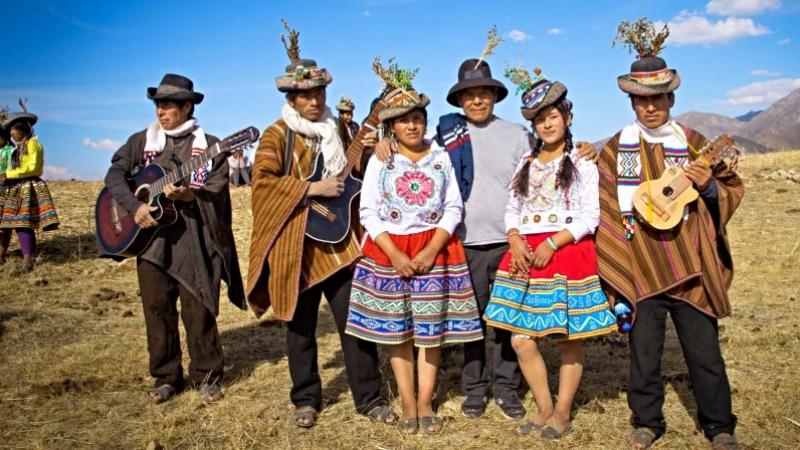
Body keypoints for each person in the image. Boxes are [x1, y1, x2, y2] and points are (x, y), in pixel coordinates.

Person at [373, 57, 597, 419]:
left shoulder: (517, 135)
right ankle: (474, 389)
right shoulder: (445, 136)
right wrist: (384, 145)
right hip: (464, 242)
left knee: (508, 319)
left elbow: (546, 163)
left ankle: (507, 388)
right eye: (469, 95)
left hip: (512, 244)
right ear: (460, 101)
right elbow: (411, 146)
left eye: (483, 94)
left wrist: (585, 147)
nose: (477, 101)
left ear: (494, 96)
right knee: (470, 321)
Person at [597, 20, 743, 450]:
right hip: (640, 264)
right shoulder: (616, 148)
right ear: (631, 102)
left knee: (705, 353)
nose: (649, 107)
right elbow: (606, 203)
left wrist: (708, 187)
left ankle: (719, 425)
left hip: (692, 265)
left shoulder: (696, 143)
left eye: (657, 98)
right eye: (640, 100)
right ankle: (647, 421)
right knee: (644, 354)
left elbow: (729, 188)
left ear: (671, 97)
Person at [246, 22, 395, 428]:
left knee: (355, 321)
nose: (314, 101)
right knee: (299, 327)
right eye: (306, 95)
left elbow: (354, 180)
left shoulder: (339, 129)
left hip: (341, 244)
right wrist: (310, 188)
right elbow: (261, 183)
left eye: (319, 93)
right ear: (292, 98)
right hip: (296, 244)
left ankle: (369, 397)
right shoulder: (277, 136)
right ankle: (306, 399)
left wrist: (366, 152)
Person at [483, 67, 616, 440]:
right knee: (521, 338)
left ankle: (562, 411)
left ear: (567, 118)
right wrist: (513, 236)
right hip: (526, 253)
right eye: (540, 120)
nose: (546, 124)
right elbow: (513, 208)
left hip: (567, 251)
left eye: (553, 117)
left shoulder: (583, 163)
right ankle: (543, 406)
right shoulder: (526, 165)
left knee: (569, 339)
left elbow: (590, 216)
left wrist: (553, 242)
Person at [345, 77, 483, 436]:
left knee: (430, 331)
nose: (412, 125)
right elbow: (369, 211)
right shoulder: (382, 160)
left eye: (418, 118)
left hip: (435, 250)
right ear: (391, 125)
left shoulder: (439, 156)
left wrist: (431, 249)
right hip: (389, 250)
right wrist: (394, 255)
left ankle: (425, 403)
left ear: (425, 121)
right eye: (404, 120)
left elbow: (453, 206)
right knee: (398, 332)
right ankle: (407, 402)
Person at [103, 73, 246, 404]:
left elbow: (217, 187)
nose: (161, 111)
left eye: (168, 105)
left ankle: (207, 375)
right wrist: (133, 205)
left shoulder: (209, 147)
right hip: (151, 243)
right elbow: (114, 175)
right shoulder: (141, 142)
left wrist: (186, 197)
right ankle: (166, 376)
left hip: (194, 241)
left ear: (186, 107)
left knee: (199, 308)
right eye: (158, 105)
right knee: (157, 309)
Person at [0, 104, 60, 272]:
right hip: (14, 188)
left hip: (27, 187)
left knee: (23, 224)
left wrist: (9, 175)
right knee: (6, 224)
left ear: (22, 129)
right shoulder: (16, 149)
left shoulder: (33, 144)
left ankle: (29, 259)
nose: (11, 134)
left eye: (13, 130)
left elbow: (33, 167)